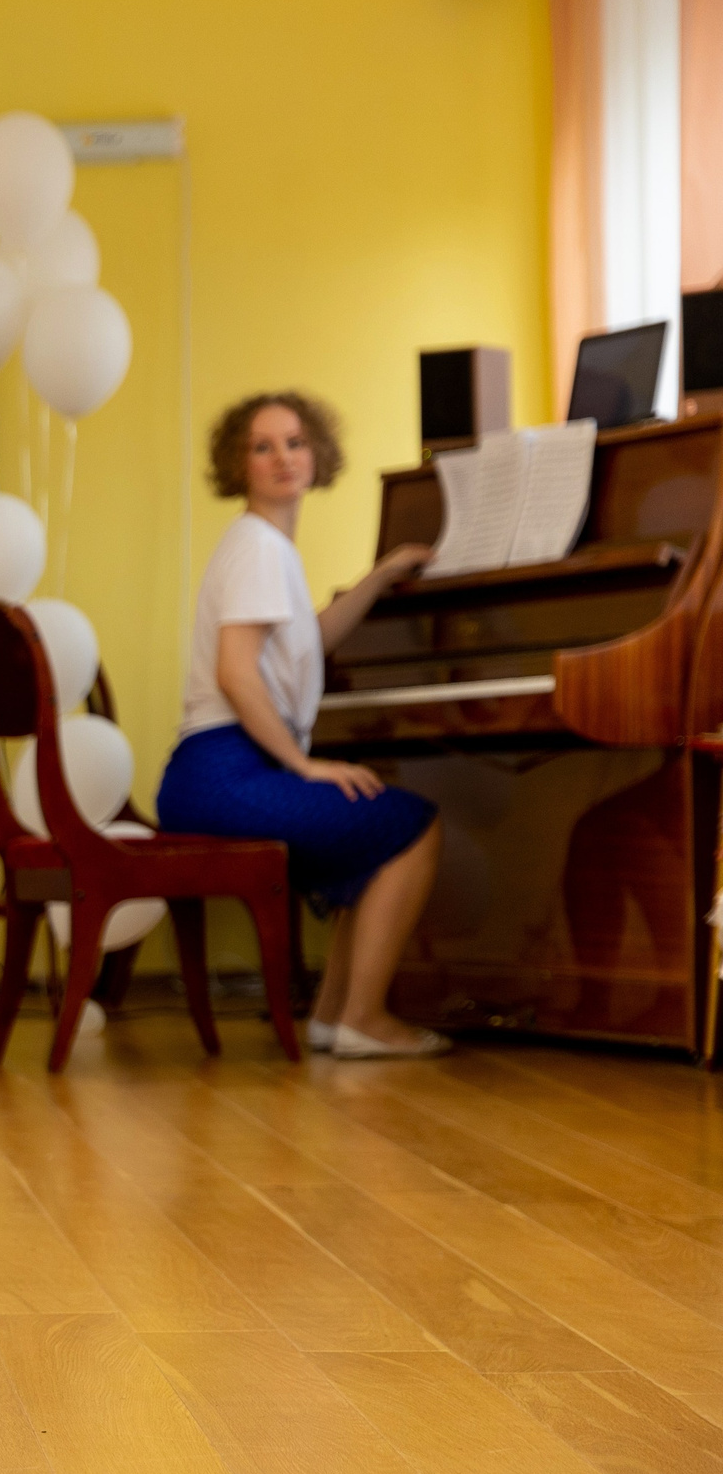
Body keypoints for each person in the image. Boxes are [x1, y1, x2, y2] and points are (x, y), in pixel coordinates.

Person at [155, 392, 445, 1058]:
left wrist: (378, 577)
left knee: (371, 816)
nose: (283, 456)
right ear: (240, 464)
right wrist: (305, 763)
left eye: (294, 442)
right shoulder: (259, 547)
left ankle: (333, 1017)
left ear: (316, 455)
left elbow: (306, 641)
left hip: (212, 772)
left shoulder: (264, 548)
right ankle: (362, 1017)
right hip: (224, 773)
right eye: (263, 445)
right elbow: (236, 672)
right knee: (411, 822)